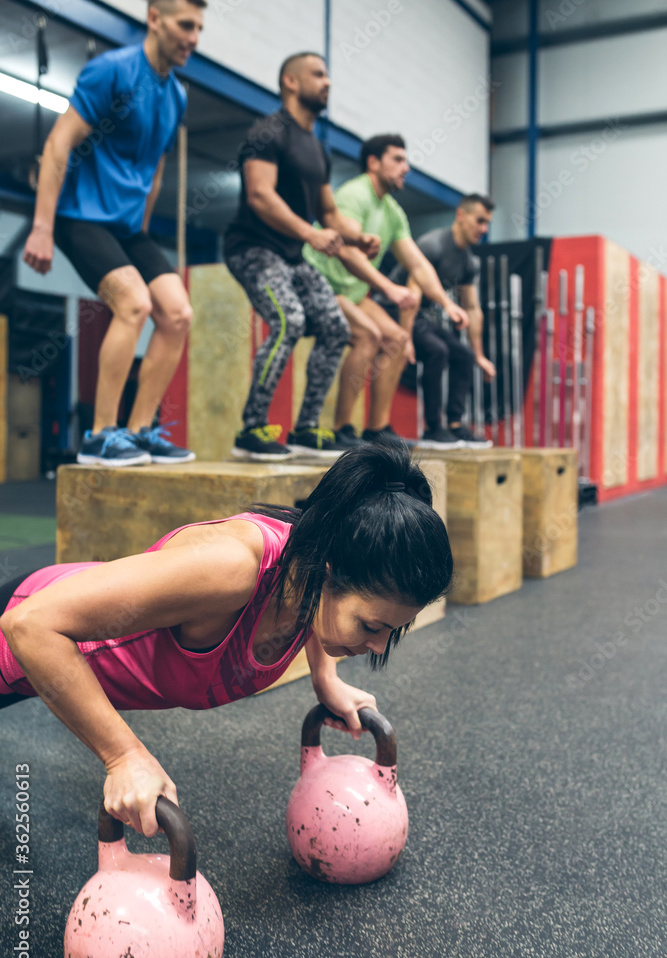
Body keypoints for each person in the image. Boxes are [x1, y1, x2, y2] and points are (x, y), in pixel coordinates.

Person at [0, 443, 453, 837]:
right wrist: (123, 756)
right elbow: (31, 625)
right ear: (329, 574)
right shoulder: (230, 568)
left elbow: (318, 606)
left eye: (394, 631)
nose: (378, 647)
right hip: (25, 635)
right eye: (371, 627)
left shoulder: (315, 563)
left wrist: (324, 677)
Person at [22, 0, 204, 468]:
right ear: (154, 18)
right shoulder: (113, 71)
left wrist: (140, 234)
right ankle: (100, 435)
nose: (193, 38)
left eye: (199, 28)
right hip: (79, 215)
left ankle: (140, 430)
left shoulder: (176, 95)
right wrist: (42, 227)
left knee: (179, 313)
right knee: (135, 303)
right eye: (186, 25)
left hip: (126, 227)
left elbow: (156, 168)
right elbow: (58, 143)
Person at [224, 52, 381, 462]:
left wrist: (357, 236)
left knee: (333, 326)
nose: (327, 82)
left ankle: (307, 428)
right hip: (252, 248)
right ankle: (251, 429)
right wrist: (311, 233)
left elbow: (329, 212)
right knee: (288, 319)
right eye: (318, 74)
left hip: (292, 256)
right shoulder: (268, 132)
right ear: (290, 82)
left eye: (328, 74)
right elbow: (260, 195)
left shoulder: (317, 148)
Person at [303, 134, 469, 450]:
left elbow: (418, 265)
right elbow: (346, 252)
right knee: (368, 335)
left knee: (398, 338)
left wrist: (446, 303)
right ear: (373, 162)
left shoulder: (392, 211)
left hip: (353, 293)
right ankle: (342, 429)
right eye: (398, 160)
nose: (406, 168)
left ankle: (377, 430)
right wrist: (388, 288)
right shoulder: (355, 194)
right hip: (322, 284)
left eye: (406, 160)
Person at [390, 194, 497, 449]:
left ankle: (455, 425)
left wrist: (479, 355)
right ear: (461, 215)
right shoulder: (433, 245)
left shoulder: (469, 261)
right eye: (480, 221)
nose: (484, 229)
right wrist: (405, 339)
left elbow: (472, 308)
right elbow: (412, 293)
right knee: (437, 350)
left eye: (487, 223)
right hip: (397, 310)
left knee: (463, 355)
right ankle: (432, 428)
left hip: (424, 317)